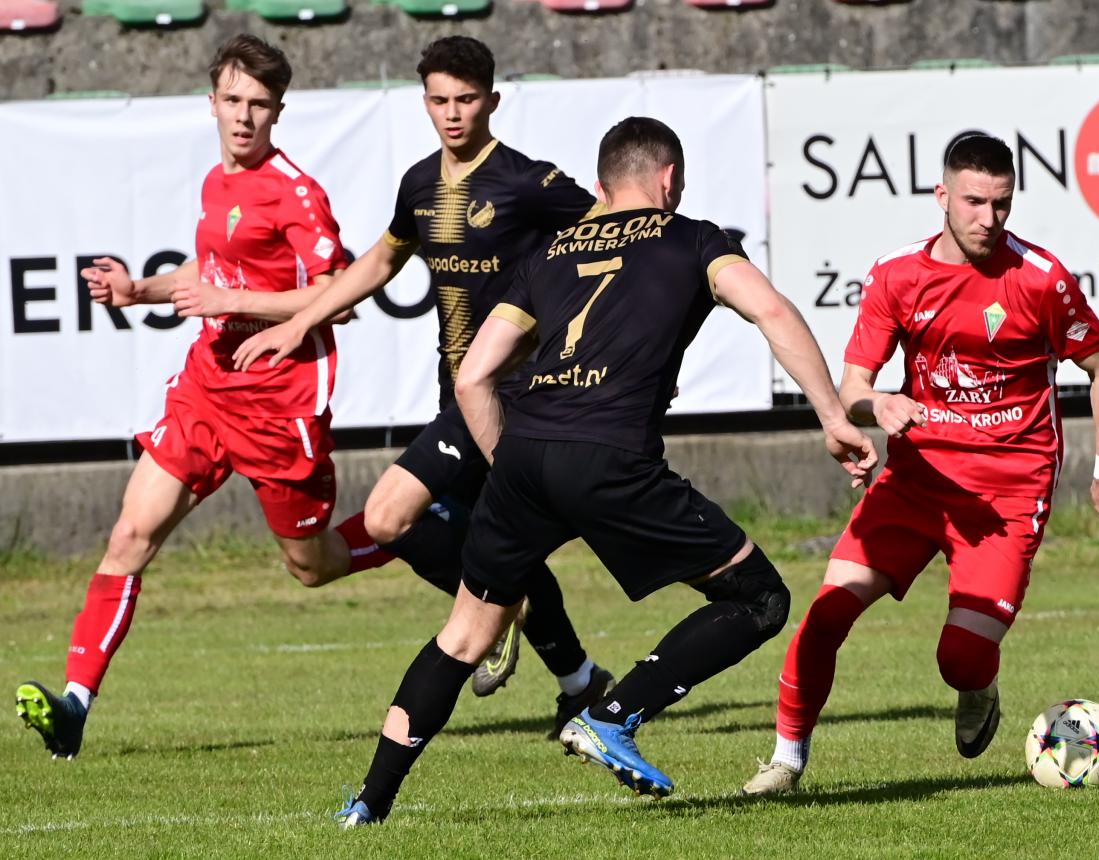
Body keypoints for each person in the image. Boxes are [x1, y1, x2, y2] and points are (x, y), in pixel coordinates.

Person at [330, 116, 877, 826]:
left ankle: (367, 805)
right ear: (669, 179)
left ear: (601, 186)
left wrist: (510, 472)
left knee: (462, 637)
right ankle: (611, 716)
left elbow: (472, 378)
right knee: (759, 599)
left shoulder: (551, 251)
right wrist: (832, 416)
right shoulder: (695, 239)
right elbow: (770, 310)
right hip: (611, 457)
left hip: (524, 453)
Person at [14, 34, 398, 760]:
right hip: (208, 389)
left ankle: (416, 524)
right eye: (232, 100)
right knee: (129, 536)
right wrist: (139, 290)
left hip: (280, 405)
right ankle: (73, 706)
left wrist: (235, 299)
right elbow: (210, 268)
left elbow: (340, 296)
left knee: (311, 566)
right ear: (211, 103)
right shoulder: (217, 182)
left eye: (259, 104)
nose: (244, 116)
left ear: (278, 111)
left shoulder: (296, 192)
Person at [232, 36, 610, 728]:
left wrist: (604, 345)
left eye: (466, 99)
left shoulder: (528, 183)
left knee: (388, 519)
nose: (453, 114)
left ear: (492, 101)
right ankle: (579, 681)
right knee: (491, 545)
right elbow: (380, 261)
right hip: (454, 392)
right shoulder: (419, 185)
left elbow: (616, 243)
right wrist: (300, 321)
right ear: (425, 103)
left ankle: (497, 610)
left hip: (510, 398)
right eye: (440, 100)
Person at [742, 132, 1099, 796]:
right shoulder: (897, 274)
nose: (989, 218)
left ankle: (979, 686)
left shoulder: (1041, 278)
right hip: (917, 482)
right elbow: (852, 388)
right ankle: (785, 760)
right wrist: (877, 405)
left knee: (961, 658)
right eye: (975, 202)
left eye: (1001, 203)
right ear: (942, 196)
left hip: (1008, 493)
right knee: (827, 613)